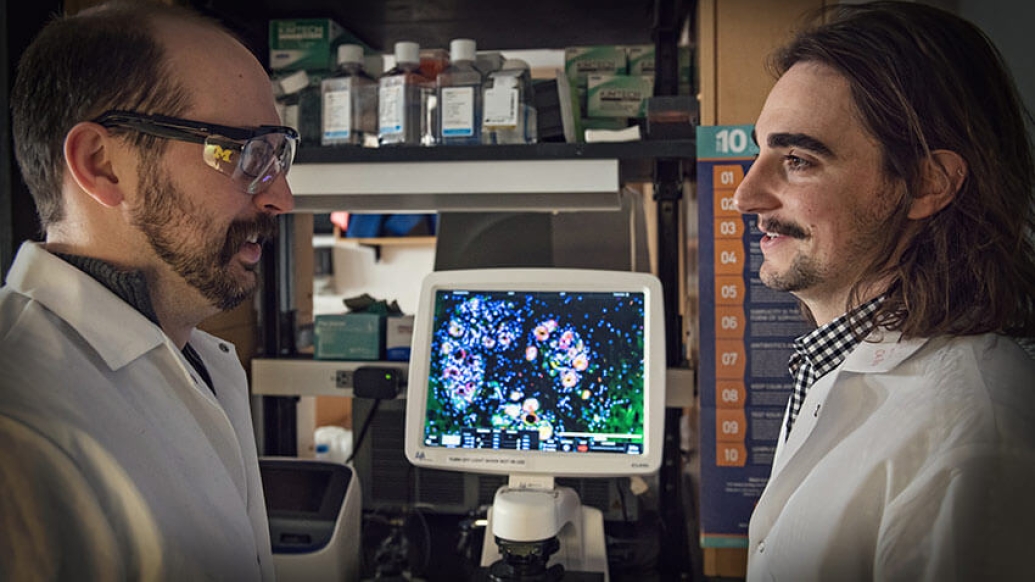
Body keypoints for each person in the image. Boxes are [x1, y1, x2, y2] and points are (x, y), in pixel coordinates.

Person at [733, 2, 1035, 580]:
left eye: (797, 159)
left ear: (928, 184)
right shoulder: (835, 363)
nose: (746, 196)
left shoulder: (973, 435)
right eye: (760, 150)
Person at [0, 1, 297, 579]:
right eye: (243, 153)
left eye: (277, 154)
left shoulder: (196, 355)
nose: (281, 197)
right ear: (103, 165)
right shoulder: (18, 425)